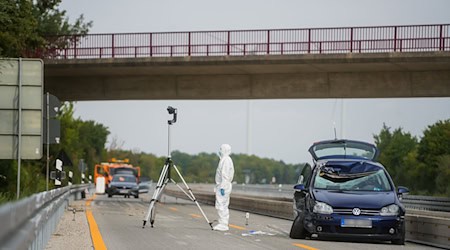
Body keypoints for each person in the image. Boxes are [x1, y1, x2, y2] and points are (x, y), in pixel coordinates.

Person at [213, 144, 235, 231]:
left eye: (221, 149)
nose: (220, 150)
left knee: (221, 205)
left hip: (223, 185)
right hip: (223, 185)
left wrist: (222, 187)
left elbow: (225, 175)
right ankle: (222, 223)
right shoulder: (225, 159)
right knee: (222, 204)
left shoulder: (226, 160)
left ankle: (223, 224)